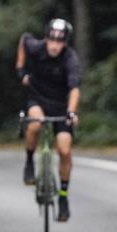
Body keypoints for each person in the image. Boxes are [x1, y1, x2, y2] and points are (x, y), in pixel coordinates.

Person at [16, 18, 81, 221]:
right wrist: (20, 70)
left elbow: (74, 89)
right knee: (35, 124)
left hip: (61, 106)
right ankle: (29, 161)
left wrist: (71, 112)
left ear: (65, 43)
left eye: (59, 41)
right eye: (51, 39)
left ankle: (63, 196)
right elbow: (24, 39)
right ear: (46, 38)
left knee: (65, 150)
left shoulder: (70, 58)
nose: (54, 45)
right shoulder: (36, 47)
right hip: (37, 99)